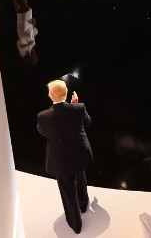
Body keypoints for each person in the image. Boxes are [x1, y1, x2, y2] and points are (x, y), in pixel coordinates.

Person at [36, 79, 94, 234]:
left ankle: (76, 225)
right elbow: (87, 122)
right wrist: (74, 105)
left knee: (67, 191)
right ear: (66, 93)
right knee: (80, 177)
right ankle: (83, 204)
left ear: (50, 95)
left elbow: (42, 132)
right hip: (80, 154)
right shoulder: (78, 108)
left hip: (61, 160)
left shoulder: (43, 116)